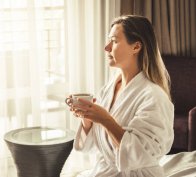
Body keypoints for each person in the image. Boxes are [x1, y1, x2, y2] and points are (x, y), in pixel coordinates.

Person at [66, 15, 174, 176]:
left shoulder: (154, 97)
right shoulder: (109, 88)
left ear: (136, 47)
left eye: (114, 41)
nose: (106, 47)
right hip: (105, 171)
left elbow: (142, 154)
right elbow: (94, 146)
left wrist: (105, 119)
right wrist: (87, 118)